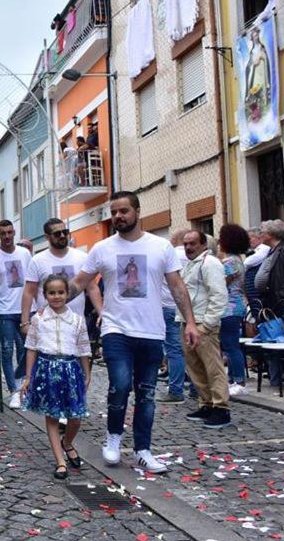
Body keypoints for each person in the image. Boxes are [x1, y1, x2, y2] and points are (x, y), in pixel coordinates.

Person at [69, 191, 199, 474]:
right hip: (116, 328)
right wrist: (50, 302)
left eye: (124, 211)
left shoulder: (160, 247)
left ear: (137, 212)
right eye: (114, 212)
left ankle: (143, 449)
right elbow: (79, 282)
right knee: (119, 385)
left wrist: (190, 321)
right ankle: (113, 437)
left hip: (151, 330)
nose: (118, 216)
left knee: (147, 393)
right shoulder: (102, 248)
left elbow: (177, 286)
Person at [20, 274, 92, 479]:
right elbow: (31, 348)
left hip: (71, 370)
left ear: (67, 294)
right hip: (47, 369)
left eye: (60, 292)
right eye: (51, 293)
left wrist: (87, 373)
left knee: (75, 417)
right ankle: (60, 461)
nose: (56, 296)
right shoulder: (38, 319)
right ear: (45, 295)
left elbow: (83, 348)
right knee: (51, 416)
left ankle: (67, 442)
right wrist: (28, 377)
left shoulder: (77, 320)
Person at [178, 231, 231, 429]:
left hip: (203, 323)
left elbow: (219, 295)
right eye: (185, 244)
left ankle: (221, 406)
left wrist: (208, 323)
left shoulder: (210, 263)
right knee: (195, 367)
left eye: (192, 243)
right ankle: (207, 402)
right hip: (188, 322)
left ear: (203, 244)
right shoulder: (191, 265)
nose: (188, 248)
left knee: (212, 366)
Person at [0, 220, 34, 409]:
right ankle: (14, 391)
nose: (6, 236)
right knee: (6, 351)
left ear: (14, 233)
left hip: (25, 309)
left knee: (26, 350)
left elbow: (31, 280)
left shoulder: (25, 254)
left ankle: (22, 387)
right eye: (3, 233)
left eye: (9, 232)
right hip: (4, 310)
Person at [23, 218, 102, 325]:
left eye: (65, 232)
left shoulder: (82, 257)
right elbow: (29, 292)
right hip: (47, 324)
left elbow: (92, 288)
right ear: (47, 237)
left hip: (76, 324)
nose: (62, 236)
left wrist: (101, 313)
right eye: (57, 233)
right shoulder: (37, 260)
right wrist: (24, 322)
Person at [216, 225, 251, 396]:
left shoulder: (230, 262)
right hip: (234, 306)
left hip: (229, 307)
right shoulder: (237, 259)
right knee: (230, 345)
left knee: (230, 345)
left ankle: (239, 380)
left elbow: (220, 283)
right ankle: (233, 379)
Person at [157, 229, 190, 403]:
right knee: (191, 348)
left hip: (168, 306)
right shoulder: (192, 257)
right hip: (188, 307)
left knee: (174, 350)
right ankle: (195, 387)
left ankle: (176, 389)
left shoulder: (169, 254)